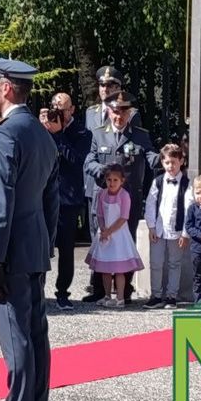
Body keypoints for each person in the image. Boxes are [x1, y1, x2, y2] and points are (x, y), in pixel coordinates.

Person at [0, 52, 59, 401]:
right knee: (36, 337)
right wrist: (45, 242)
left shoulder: (5, 134)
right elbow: (51, 201)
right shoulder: (43, 135)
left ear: (7, 87)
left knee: (17, 339)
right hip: (34, 247)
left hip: (10, 251)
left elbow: (0, 201)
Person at [82, 91, 159, 303]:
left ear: (130, 113)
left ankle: (125, 290)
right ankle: (100, 290)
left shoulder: (140, 135)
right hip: (104, 199)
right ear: (109, 111)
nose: (119, 116)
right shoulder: (98, 134)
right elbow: (89, 161)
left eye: (124, 112)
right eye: (116, 112)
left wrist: (163, 158)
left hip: (128, 198)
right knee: (101, 239)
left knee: (126, 241)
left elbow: (151, 156)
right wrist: (101, 170)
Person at [40, 92, 91, 310]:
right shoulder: (44, 129)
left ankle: (63, 292)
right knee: (40, 246)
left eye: (62, 109)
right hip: (43, 196)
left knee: (67, 249)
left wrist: (59, 134)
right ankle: (38, 290)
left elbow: (77, 160)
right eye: (55, 107)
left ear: (72, 110)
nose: (58, 112)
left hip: (67, 199)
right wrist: (40, 128)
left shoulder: (82, 133)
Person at [85, 164, 144, 308]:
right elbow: (99, 214)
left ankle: (120, 297)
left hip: (119, 235)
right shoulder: (102, 194)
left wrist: (109, 231)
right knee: (105, 268)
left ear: (122, 181)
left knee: (119, 269)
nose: (112, 183)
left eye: (115, 180)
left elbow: (123, 217)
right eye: (109, 180)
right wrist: (103, 228)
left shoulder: (124, 195)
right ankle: (107, 295)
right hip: (105, 234)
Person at [143, 145, 193, 309]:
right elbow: (150, 204)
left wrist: (185, 233)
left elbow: (189, 208)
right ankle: (156, 295)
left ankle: (172, 296)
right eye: (167, 162)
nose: (170, 166)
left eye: (174, 162)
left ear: (181, 161)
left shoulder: (187, 184)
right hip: (158, 229)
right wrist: (151, 226)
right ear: (162, 163)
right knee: (156, 263)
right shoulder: (157, 181)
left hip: (176, 230)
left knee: (174, 263)